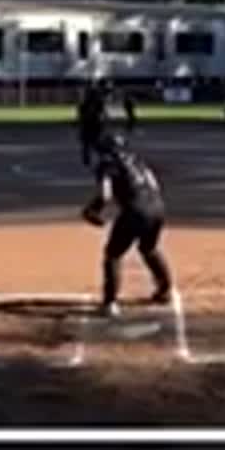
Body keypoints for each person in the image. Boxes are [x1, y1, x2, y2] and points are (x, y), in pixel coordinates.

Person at [81, 132, 173, 318]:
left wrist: (92, 211)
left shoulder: (107, 165)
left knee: (112, 255)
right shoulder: (138, 161)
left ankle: (110, 303)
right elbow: (154, 186)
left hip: (135, 211)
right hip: (157, 208)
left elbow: (105, 195)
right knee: (149, 248)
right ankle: (165, 290)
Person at [76, 83, 108, 167]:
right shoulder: (98, 102)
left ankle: (87, 160)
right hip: (94, 125)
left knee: (87, 144)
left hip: (88, 125)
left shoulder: (84, 103)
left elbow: (80, 115)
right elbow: (103, 114)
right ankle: (101, 156)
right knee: (94, 143)